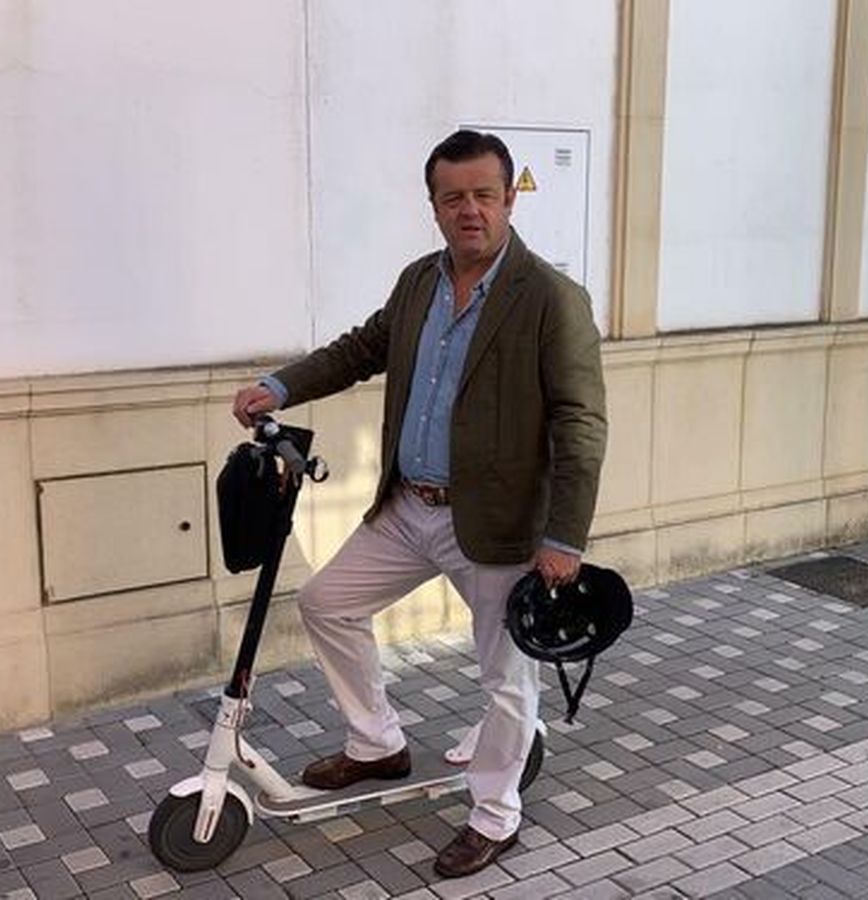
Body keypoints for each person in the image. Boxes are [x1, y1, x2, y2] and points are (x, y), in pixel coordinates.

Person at [232, 129, 607, 878]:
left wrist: (564, 535)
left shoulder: (551, 299)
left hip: (498, 526)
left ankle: (496, 814)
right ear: (434, 205)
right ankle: (377, 743)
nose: (470, 210)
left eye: (484, 195)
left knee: (505, 681)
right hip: (409, 509)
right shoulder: (417, 283)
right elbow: (360, 349)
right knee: (327, 601)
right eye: (453, 197)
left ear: (508, 199)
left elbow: (580, 420)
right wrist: (281, 385)